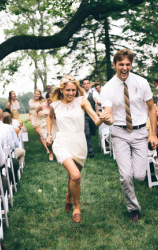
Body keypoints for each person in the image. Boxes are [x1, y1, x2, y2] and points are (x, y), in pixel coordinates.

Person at [101, 49, 158, 222]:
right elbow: (109, 113)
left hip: (141, 132)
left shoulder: (141, 83)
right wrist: (108, 119)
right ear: (114, 65)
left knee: (139, 175)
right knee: (125, 175)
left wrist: (153, 134)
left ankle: (132, 188)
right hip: (119, 133)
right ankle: (133, 208)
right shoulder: (107, 88)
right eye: (121, 64)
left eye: (127, 64)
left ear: (131, 65)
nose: (125, 68)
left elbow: (151, 108)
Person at [46, 75, 111, 223]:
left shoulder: (81, 101)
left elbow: (96, 120)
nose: (71, 93)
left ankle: (69, 195)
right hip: (61, 142)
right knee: (75, 176)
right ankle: (76, 206)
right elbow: (50, 118)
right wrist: (49, 134)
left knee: (72, 176)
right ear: (61, 90)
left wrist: (103, 117)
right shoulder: (55, 105)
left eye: (73, 90)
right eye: (68, 90)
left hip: (79, 143)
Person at [35, 92, 57, 161]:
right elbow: (36, 112)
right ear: (46, 99)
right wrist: (35, 122)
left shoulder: (56, 105)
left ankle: (57, 153)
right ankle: (50, 152)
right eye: (48, 100)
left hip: (54, 123)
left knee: (55, 140)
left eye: (51, 100)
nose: (50, 102)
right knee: (47, 140)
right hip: (44, 124)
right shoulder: (42, 105)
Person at [82, 78, 96, 158]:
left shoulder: (94, 93)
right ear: (83, 85)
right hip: (84, 116)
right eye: (85, 83)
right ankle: (90, 151)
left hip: (93, 115)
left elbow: (98, 103)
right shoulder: (81, 94)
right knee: (87, 133)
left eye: (88, 83)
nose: (86, 85)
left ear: (89, 84)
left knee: (93, 132)